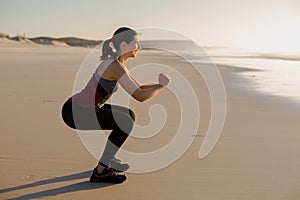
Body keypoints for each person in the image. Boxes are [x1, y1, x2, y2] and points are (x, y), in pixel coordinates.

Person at [61, 27, 170, 184]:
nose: (139, 47)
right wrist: (161, 87)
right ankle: (101, 171)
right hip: (75, 112)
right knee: (125, 122)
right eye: (136, 43)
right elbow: (140, 96)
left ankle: (109, 159)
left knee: (129, 115)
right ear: (124, 45)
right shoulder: (115, 66)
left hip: (82, 108)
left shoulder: (117, 64)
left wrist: (158, 85)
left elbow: (138, 88)